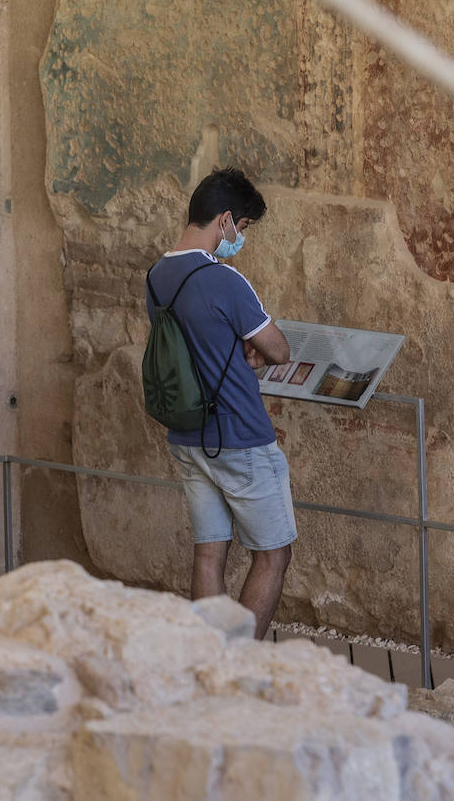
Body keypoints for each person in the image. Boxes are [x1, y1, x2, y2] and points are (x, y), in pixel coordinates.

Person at [145, 167, 294, 639]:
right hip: (240, 436)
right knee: (273, 555)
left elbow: (197, 342)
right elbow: (278, 349)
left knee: (209, 552)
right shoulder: (226, 280)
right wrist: (252, 346)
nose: (240, 238)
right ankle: (236, 664)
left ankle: (208, 661)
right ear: (226, 220)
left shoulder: (157, 276)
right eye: (243, 228)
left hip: (188, 435)